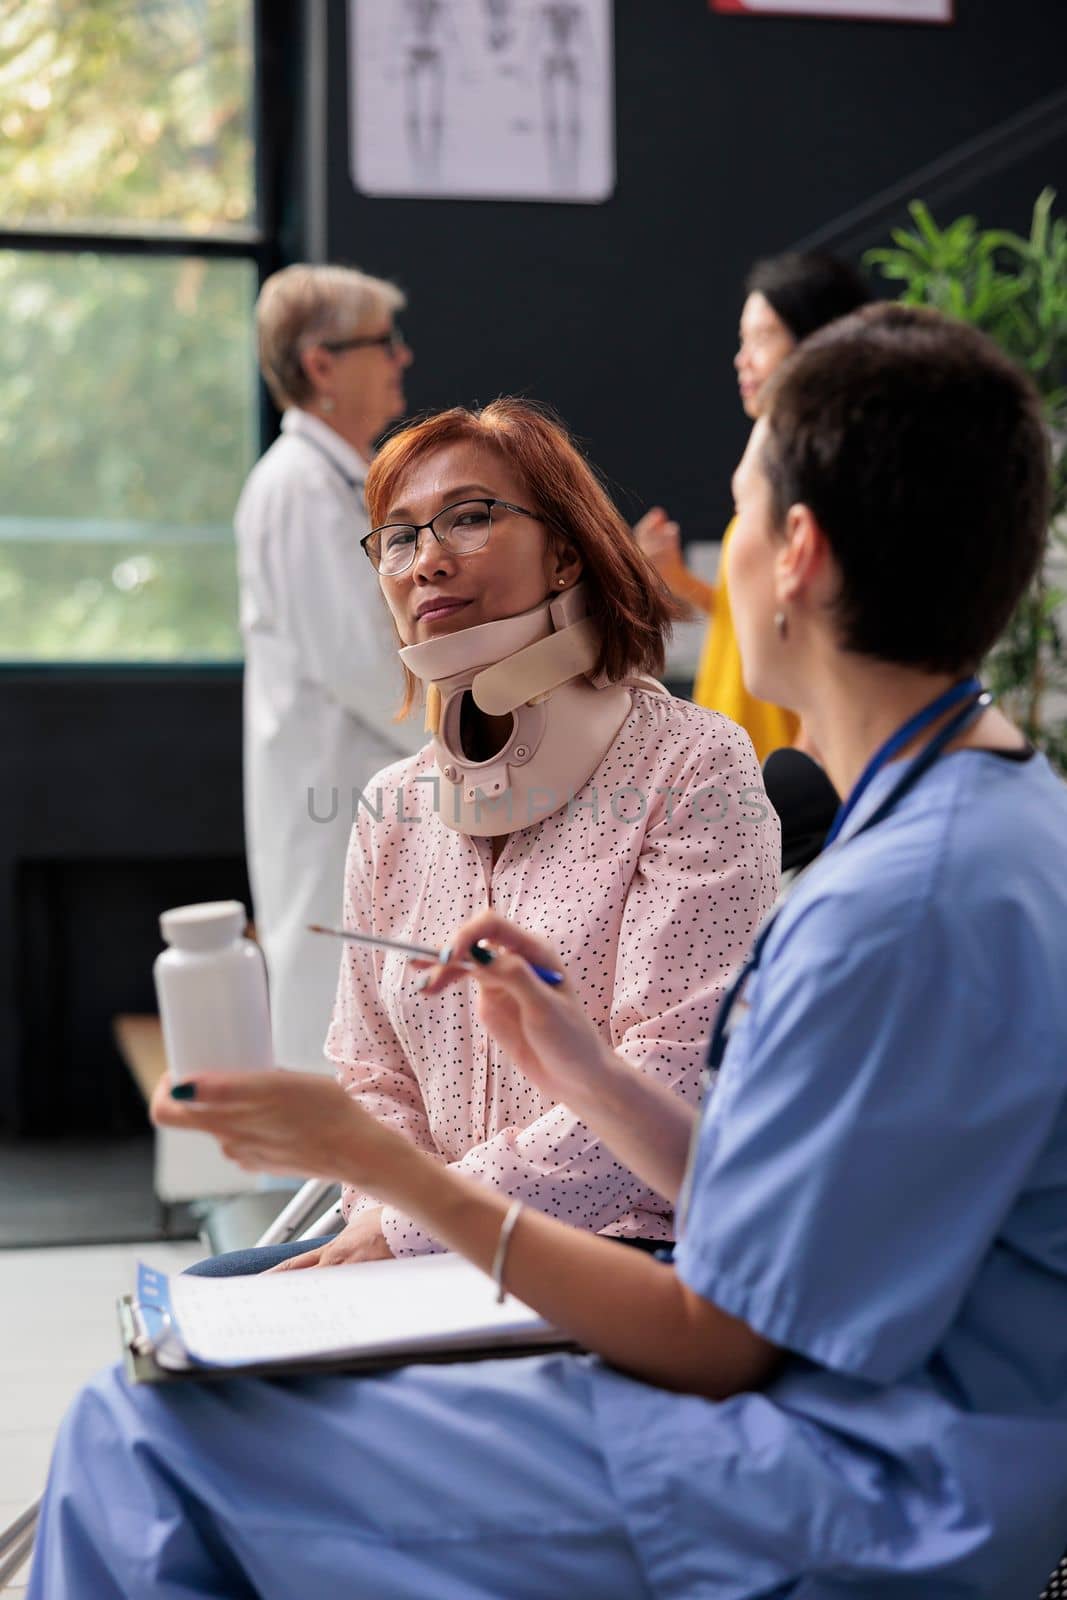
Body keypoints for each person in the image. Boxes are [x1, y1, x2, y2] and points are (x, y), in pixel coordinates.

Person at [32, 303, 1067, 1600]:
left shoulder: (871, 890)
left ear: (791, 554)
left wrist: (400, 1190)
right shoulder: (982, 827)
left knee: (144, 1439)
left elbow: (721, 1327)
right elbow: (756, 1204)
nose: (425, 560)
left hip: (841, 1477)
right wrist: (580, 1073)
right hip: (875, 1418)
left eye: (737, 512)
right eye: (398, 533)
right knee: (190, 1352)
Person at [194, 397, 778, 1275]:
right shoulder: (393, 806)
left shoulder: (691, 765)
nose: (424, 560)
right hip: (420, 1247)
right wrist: (397, 1222)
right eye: (397, 536)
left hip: (629, 1253)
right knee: (199, 1310)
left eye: (469, 518)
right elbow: (369, 1075)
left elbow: (671, 1074)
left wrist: (418, 1224)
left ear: (565, 554)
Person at [236, 264, 423, 1076]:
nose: (402, 359)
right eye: (383, 344)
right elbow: (370, 669)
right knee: (337, 1042)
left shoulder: (338, 481)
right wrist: (481, 734)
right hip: (337, 801)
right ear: (320, 365)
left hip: (364, 792)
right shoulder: (300, 490)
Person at [638, 250, 870, 764]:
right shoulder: (779, 458)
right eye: (743, 339)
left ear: (819, 343)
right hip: (751, 756)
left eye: (762, 337)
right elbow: (770, 611)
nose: (741, 358)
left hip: (785, 765)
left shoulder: (828, 473)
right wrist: (683, 583)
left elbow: (824, 634)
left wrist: (803, 782)